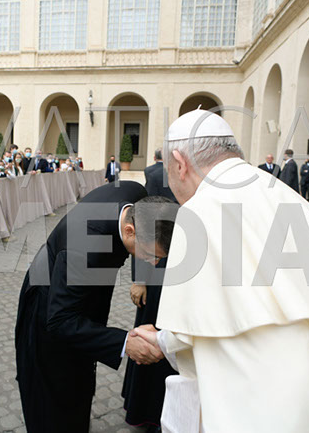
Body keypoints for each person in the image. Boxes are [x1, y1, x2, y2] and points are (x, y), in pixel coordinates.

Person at [131, 109, 309, 432]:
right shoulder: (279, 191)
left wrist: (160, 342)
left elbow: (204, 326)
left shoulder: (200, 210)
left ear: (180, 164)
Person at [15, 182, 178, 433]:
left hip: (81, 291)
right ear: (130, 230)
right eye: (150, 254)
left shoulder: (136, 195)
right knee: (53, 398)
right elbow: (60, 321)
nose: (154, 263)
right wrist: (125, 342)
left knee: (79, 381)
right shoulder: (83, 247)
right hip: (48, 308)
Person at [122, 149, 178, 431]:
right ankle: (145, 408)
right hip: (156, 268)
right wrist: (140, 279)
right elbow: (145, 223)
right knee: (152, 328)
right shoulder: (155, 175)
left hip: (182, 267)